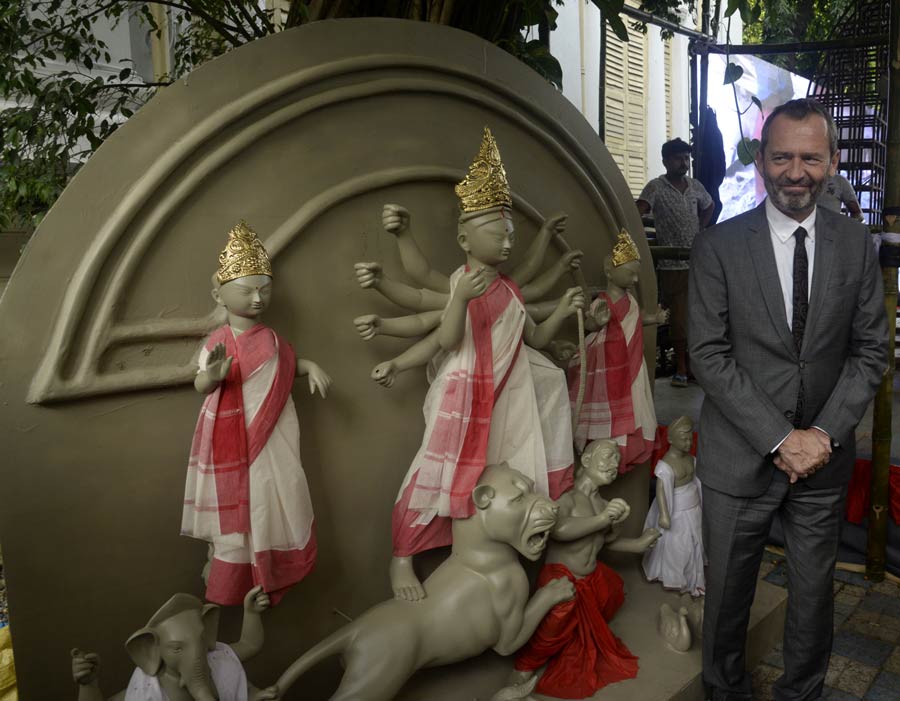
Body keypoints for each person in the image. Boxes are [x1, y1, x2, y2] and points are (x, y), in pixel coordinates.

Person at [688, 99, 887, 700]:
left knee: (813, 596)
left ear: (831, 162)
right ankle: (724, 691)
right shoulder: (718, 246)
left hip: (822, 463)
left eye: (809, 157)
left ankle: (802, 693)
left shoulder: (856, 245)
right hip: (737, 459)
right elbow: (708, 355)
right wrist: (781, 438)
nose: (795, 171)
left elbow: (871, 351)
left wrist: (821, 437)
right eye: (782, 157)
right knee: (726, 597)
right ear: (761, 160)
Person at [389, 128, 584, 601]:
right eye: (496, 232)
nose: (506, 241)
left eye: (511, 232)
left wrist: (561, 310)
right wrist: (404, 235)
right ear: (464, 236)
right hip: (465, 395)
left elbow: (532, 337)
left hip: (510, 397)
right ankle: (402, 559)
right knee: (437, 472)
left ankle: (501, 557)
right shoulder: (460, 282)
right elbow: (448, 336)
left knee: (506, 479)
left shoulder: (511, 289)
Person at [181, 221, 332, 606]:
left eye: (264, 289)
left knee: (269, 497)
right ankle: (226, 577)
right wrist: (211, 376)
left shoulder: (273, 340)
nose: (257, 298)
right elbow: (201, 383)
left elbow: (287, 364)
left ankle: (266, 570)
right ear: (219, 294)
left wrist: (310, 367)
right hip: (231, 438)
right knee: (237, 504)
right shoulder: (219, 341)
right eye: (246, 290)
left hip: (273, 435)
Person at [512, 439, 659, 698]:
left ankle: (580, 628)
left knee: (613, 588)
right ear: (587, 461)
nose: (614, 464)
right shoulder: (568, 498)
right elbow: (559, 530)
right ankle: (525, 666)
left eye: (617, 459)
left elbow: (605, 543)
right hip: (562, 575)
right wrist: (603, 519)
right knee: (558, 613)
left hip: (591, 575)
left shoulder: (603, 503)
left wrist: (637, 543)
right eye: (607, 457)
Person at [567, 229, 666, 467]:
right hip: (610, 364)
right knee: (612, 405)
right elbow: (590, 323)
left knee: (635, 403)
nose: (634, 280)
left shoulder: (630, 299)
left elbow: (636, 317)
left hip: (630, 362)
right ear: (610, 271)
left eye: (636, 275)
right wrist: (596, 321)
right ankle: (606, 448)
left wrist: (655, 317)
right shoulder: (603, 301)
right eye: (630, 274)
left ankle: (626, 445)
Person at [637, 137, 714, 387]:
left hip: (696, 261)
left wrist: (701, 229)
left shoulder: (695, 186)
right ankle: (681, 367)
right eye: (679, 158)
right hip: (671, 263)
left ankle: (693, 366)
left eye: (686, 158)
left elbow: (710, 205)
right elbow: (638, 210)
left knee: (698, 315)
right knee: (679, 318)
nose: (684, 163)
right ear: (666, 161)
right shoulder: (656, 187)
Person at [642, 415, 705, 596]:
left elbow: (696, 481)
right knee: (678, 545)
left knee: (695, 542)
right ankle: (674, 576)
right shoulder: (665, 465)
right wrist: (664, 514)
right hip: (676, 511)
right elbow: (661, 490)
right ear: (670, 439)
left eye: (690, 438)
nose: (688, 443)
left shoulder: (691, 459)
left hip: (693, 508)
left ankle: (692, 575)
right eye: (683, 439)